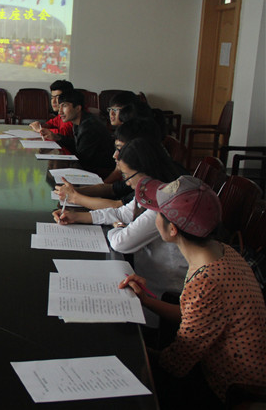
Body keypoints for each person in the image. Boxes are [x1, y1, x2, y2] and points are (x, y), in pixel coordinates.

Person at [120, 176, 266, 406]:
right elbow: (192, 315)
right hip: (224, 364)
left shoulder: (208, 280)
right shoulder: (219, 251)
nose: (153, 216)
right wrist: (146, 300)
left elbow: (176, 364)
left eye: (157, 213)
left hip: (232, 388)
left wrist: (137, 352)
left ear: (172, 229)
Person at [53, 138, 187, 321]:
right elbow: (122, 212)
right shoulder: (152, 189)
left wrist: (119, 227)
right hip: (146, 267)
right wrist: (78, 217)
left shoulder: (163, 201)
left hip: (166, 285)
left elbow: (121, 243)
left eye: (127, 176)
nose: (127, 183)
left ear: (145, 170)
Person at [54, 117, 169, 209]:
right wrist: (74, 191)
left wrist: (75, 197)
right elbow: (111, 189)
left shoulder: (153, 179)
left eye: (120, 149)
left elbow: (118, 207)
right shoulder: (141, 169)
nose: (115, 155)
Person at [39, 90, 115, 179]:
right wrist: (57, 137)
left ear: (78, 108)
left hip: (99, 173)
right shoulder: (79, 121)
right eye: (59, 107)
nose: (60, 112)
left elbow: (81, 159)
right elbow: (78, 146)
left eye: (64, 106)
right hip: (89, 167)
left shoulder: (88, 127)